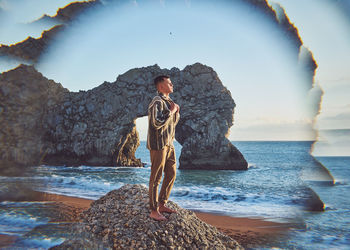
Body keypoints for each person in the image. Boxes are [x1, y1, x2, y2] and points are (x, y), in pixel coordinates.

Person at [147, 75, 180, 221]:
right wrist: (171, 112)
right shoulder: (157, 101)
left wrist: (175, 113)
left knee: (171, 173)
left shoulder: (170, 102)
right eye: (169, 83)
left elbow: (171, 125)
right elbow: (156, 123)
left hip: (169, 144)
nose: (172, 84)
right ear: (161, 86)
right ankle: (153, 210)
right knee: (156, 177)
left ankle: (162, 203)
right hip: (158, 145)